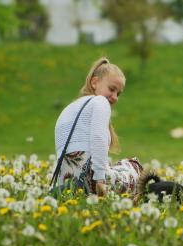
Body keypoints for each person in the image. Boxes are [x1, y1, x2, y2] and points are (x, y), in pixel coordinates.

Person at [54, 58, 142, 197]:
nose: (115, 97)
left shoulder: (71, 107)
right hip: (90, 181)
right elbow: (98, 138)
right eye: (112, 89)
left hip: (68, 184)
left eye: (118, 93)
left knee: (121, 165)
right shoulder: (100, 102)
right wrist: (100, 179)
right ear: (95, 82)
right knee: (134, 165)